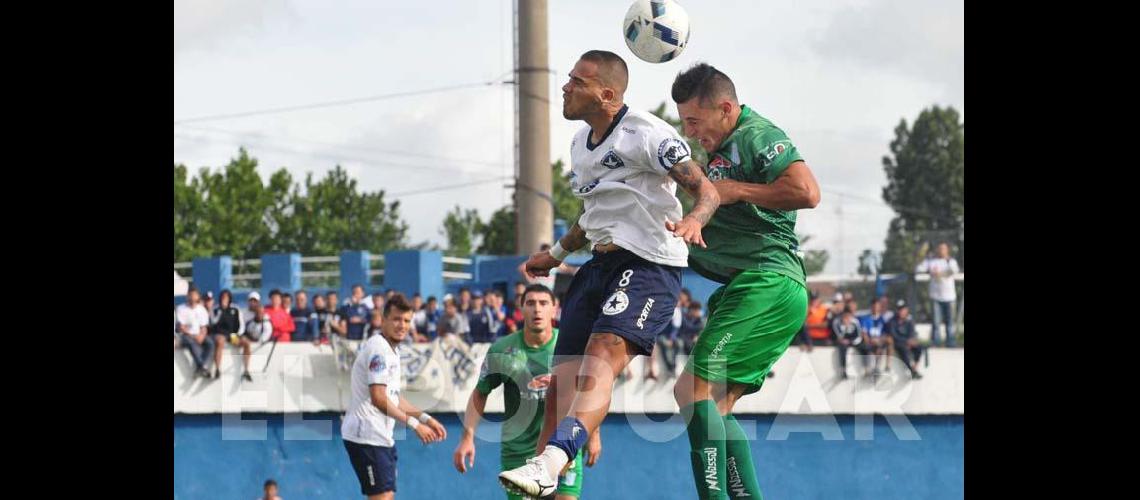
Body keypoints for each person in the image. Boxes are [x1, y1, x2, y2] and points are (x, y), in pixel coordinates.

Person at [498, 50, 720, 498]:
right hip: (598, 264)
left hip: (649, 263)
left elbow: (705, 188)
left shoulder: (647, 134)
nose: (565, 87)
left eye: (576, 81)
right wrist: (557, 253)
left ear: (606, 94)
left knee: (603, 355)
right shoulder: (581, 143)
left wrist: (695, 219)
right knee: (563, 382)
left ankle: (554, 458)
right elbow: (594, 212)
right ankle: (540, 476)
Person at [668, 62, 821, 499]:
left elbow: (807, 192)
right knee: (715, 406)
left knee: (690, 388)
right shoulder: (719, 152)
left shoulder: (756, 135)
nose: (692, 132)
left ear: (726, 108)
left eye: (695, 122)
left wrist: (735, 190)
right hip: (757, 287)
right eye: (685, 124)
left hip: (766, 282)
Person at [454, 285, 596, 500]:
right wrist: (467, 437)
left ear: (555, 308)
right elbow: (480, 393)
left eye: (543, 303)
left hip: (563, 446)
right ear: (521, 309)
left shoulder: (570, 346)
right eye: (530, 303)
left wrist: (594, 436)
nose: (537, 309)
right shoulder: (502, 350)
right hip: (519, 455)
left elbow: (589, 393)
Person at [341, 294, 447, 499]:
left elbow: (394, 398)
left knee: (387, 496)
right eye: (396, 319)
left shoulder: (392, 351)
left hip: (381, 437)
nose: (402, 325)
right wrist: (415, 426)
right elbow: (379, 398)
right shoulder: (378, 349)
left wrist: (426, 418)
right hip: (366, 436)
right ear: (383, 321)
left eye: (407, 320)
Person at [915, 242, 960, 347]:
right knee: (936, 322)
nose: (941, 251)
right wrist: (921, 256)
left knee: (949, 322)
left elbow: (953, 271)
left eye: (944, 249)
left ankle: (951, 343)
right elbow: (918, 269)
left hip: (949, 297)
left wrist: (940, 274)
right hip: (935, 296)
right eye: (940, 248)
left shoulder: (951, 261)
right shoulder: (931, 261)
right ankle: (936, 342)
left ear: (947, 250)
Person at [210, 289, 245, 379]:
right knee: (220, 341)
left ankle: (246, 370)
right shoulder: (215, 308)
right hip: (220, 333)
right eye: (222, 297)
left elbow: (241, 324)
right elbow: (213, 322)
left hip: (232, 334)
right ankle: (217, 369)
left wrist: (238, 334)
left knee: (245, 343)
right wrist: (220, 311)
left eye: (226, 297)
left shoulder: (235, 308)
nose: (224, 299)